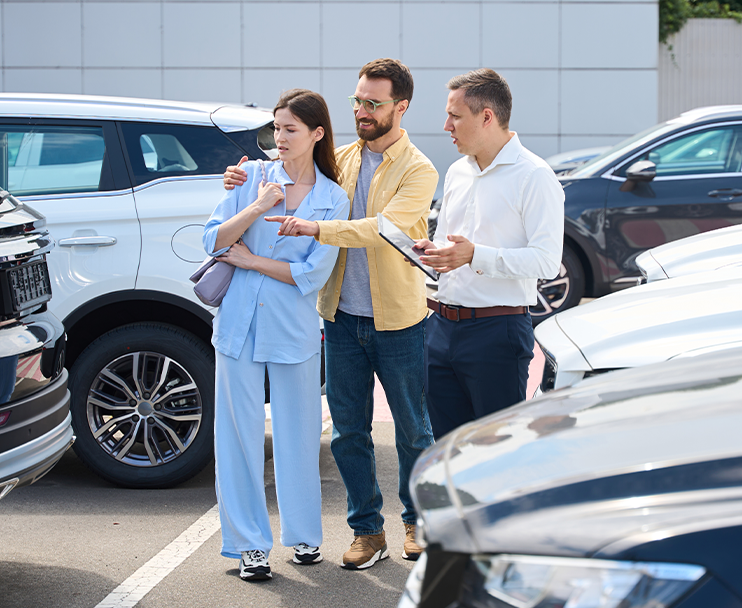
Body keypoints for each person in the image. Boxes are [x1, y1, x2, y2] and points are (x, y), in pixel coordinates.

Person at [224, 58, 438, 570]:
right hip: (340, 317)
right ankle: (368, 531)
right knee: (347, 432)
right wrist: (239, 176)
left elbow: (382, 229)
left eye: (373, 103)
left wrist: (316, 229)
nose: (362, 110)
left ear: (400, 107)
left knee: (412, 429)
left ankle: (417, 520)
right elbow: (290, 165)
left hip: (398, 319)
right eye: (357, 101)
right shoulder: (340, 160)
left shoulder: (420, 169)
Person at [204, 89, 349, 582]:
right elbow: (212, 239)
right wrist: (255, 206)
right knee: (239, 437)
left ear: (317, 134)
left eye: (290, 129)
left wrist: (249, 261)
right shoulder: (252, 177)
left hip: (294, 328)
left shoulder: (334, 198)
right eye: (277, 127)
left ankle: (305, 537)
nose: (280, 138)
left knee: (299, 434)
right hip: (239, 326)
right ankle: (249, 546)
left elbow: (313, 275)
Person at [414, 68, 565, 439]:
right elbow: (453, 246)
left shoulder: (535, 176)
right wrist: (432, 254)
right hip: (442, 329)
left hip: (497, 334)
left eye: (455, 116)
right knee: (448, 452)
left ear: (487, 117)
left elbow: (546, 260)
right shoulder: (456, 172)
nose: (446, 125)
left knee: (497, 453)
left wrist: (474, 256)